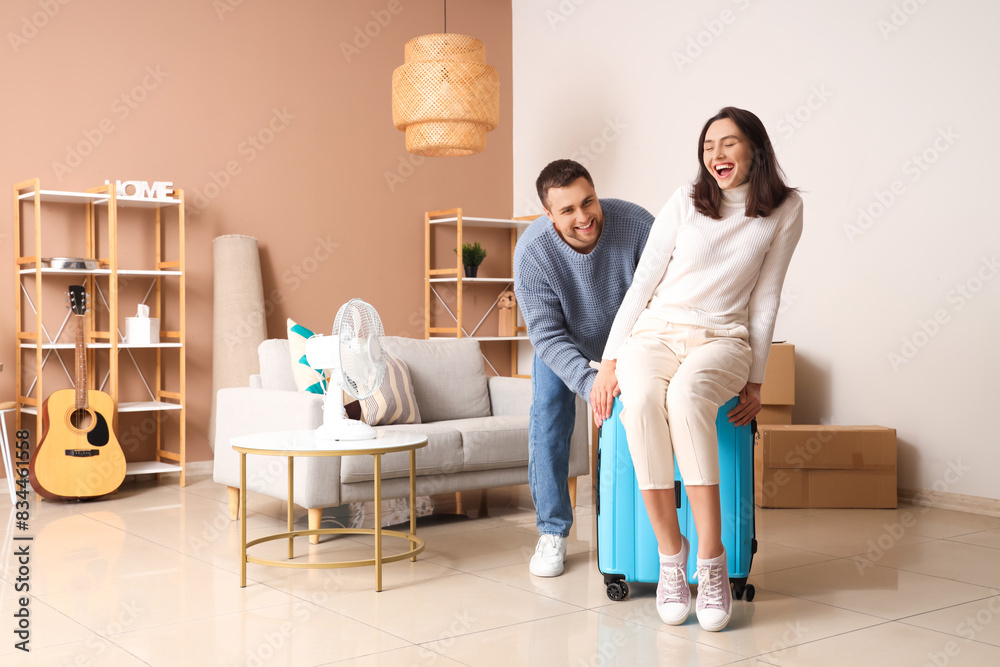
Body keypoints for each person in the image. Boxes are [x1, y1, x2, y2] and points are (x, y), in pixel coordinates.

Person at [593, 107, 803, 631]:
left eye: (728, 144)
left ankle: (710, 559)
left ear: (755, 147)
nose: (716, 155)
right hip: (655, 331)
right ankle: (671, 555)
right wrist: (608, 363)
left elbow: (767, 297)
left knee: (687, 397)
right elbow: (642, 285)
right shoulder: (687, 201)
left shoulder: (785, 209)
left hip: (723, 337)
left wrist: (757, 377)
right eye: (709, 146)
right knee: (638, 401)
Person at [514, 159, 654, 577]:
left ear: (596, 192)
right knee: (549, 414)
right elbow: (547, 337)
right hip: (567, 340)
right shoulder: (532, 254)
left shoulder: (637, 224)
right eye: (568, 211)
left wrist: (618, 366)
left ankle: (651, 517)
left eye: (588, 201)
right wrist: (592, 380)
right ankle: (553, 531)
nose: (583, 217)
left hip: (633, 338)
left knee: (646, 407)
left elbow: (663, 299)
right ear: (548, 215)